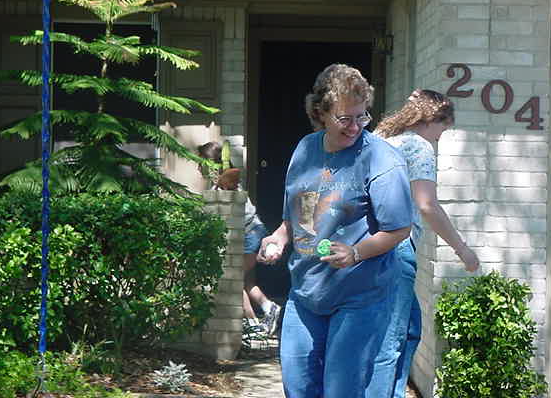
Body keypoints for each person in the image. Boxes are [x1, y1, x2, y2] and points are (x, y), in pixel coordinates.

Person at [257, 64, 413, 398]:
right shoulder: (306, 149)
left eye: (362, 116)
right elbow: (299, 215)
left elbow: (399, 229)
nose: (355, 127)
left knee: (341, 390)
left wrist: (356, 252)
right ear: (320, 113)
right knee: (297, 386)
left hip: (359, 296)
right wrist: (279, 237)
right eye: (344, 118)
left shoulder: (382, 160)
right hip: (306, 291)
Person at [367, 89, 480, 398]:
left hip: (370, 246)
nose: (441, 136)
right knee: (391, 340)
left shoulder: (382, 139)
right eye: (443, 127)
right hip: (397, 247)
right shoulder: (418, 146)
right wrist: (462, 249)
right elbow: (427, 205)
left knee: (408, 329)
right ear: (431, 119)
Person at [197, 142, 282, 336]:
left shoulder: (227, 185)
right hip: (253, 232)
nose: (198, 167)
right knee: (243, 282)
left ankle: (252, 322)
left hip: (249, 235)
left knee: (233, 282)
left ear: (210, 164)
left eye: (200, 162)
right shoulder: (221, 186)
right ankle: (268, 308)